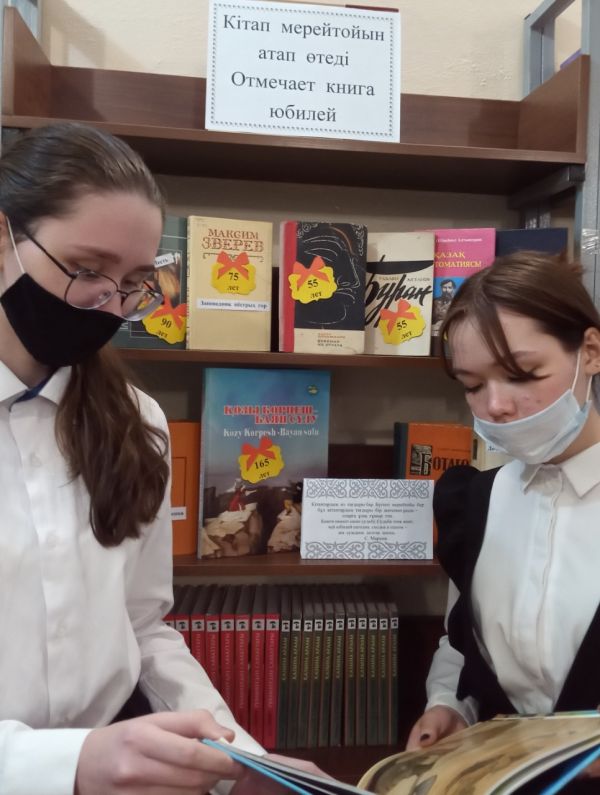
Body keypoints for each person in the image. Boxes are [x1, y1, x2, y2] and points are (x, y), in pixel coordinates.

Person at [0, 122, 324, 795]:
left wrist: (243, 761)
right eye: (87, 269)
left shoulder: (137, 421)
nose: (109, 304)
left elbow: (144, 627)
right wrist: (65, 764)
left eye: (135, 282)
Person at [406, 251, 600, 785]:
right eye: (472, 385)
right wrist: (450, 706)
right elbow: (461, 641)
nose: (496, 406)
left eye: (521, 374)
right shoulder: (473, 502)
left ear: (590, 351)